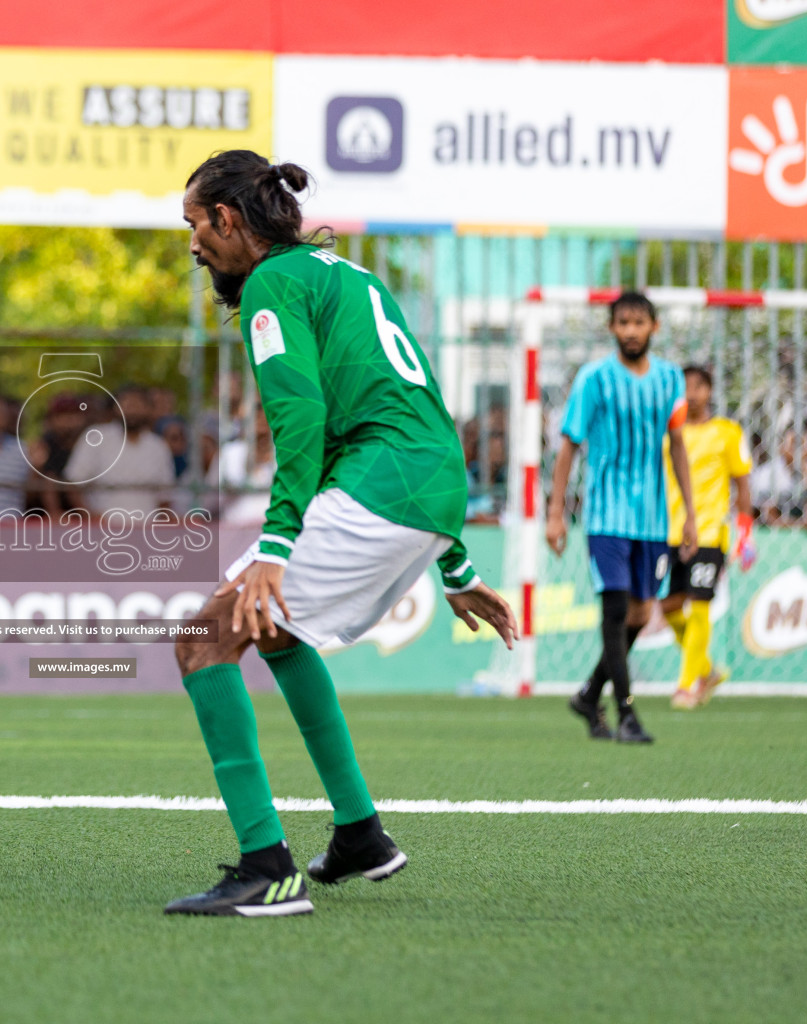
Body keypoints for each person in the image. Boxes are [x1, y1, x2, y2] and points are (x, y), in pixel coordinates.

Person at [170, 151, 517, 917]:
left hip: (380, 482)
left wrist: (275, 546)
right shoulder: (345, 275)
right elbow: (410, 405)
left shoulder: (271, 285)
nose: (192, 244)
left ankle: (265, 869)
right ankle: (360, 833)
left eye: (194, 225)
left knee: (204, 639)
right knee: (277, 634)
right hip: (426, 479)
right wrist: (453, 563)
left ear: (228, 219)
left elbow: (300, 421)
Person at [547, 291, 697, 745]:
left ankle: (590, 694)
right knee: (614, 608)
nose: (631, 331)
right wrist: (556, 513)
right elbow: (570, 444)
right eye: (622, 323)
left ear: (654, 326)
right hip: (605, 516)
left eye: (639, 322)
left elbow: (677, 445)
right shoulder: (594, 378)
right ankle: (626, 712)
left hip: (652, 519)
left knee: (639, 613)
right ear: (612, 328)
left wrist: (689, 515)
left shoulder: (671, 379)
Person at [661, 366, 753, 711]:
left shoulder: (727, 432)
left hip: (710, 533)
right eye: (685, 388)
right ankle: (707, 670)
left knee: (699, 605)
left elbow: (742, 484)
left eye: (698, 386)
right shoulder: (669, 434)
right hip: (670, 531)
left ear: (710, 391)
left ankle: (687, 686)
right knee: (669, 608)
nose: (691, 393)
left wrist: (745, 533)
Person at [63, 384, 176, 516]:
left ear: (148, 410)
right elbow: (73, 483)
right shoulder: (96, 437)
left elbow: (165, 496)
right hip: (101, 529)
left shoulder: (158, 446)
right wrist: (91, 517)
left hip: (146, 529)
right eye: (127, 405)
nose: (132, 411)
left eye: (138, 405)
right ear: (116, 408)